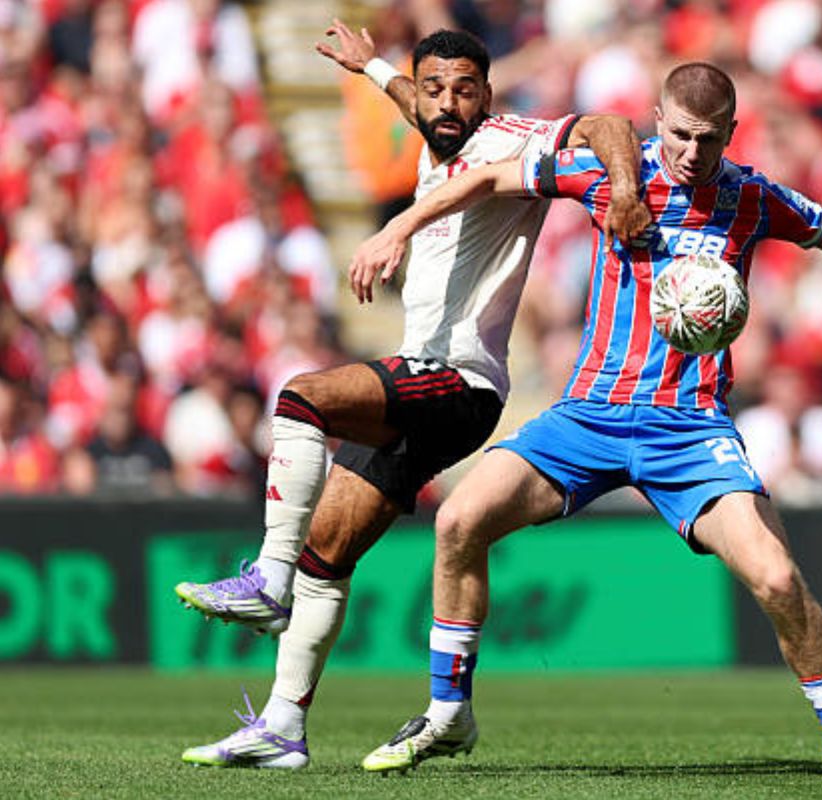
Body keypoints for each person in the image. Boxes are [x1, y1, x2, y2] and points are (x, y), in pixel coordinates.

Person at [348, 62, 822, 783]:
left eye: (709, 139)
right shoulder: (609, 174)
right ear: (657, 120)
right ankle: (448, 711)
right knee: (459, 521)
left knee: (776, 578)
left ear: (731, 132)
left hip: (689, 429)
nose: (693, 152)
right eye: (680, 135)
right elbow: (486, 178)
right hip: (589, 415)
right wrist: (399, 227)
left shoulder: (751, 198)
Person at [175, 24, 649, 769]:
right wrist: (370, 66)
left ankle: (265, 579)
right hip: (430, 379)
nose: (447, 103)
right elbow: (409, 98)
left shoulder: (510, 140)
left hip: (459, 378)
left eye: (465, 89)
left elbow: (610, 125)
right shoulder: (433, 123)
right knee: (327, 554)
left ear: (487, 94)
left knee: (302, 397)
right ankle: (282, 730)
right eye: (435, 90)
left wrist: (623, 188)